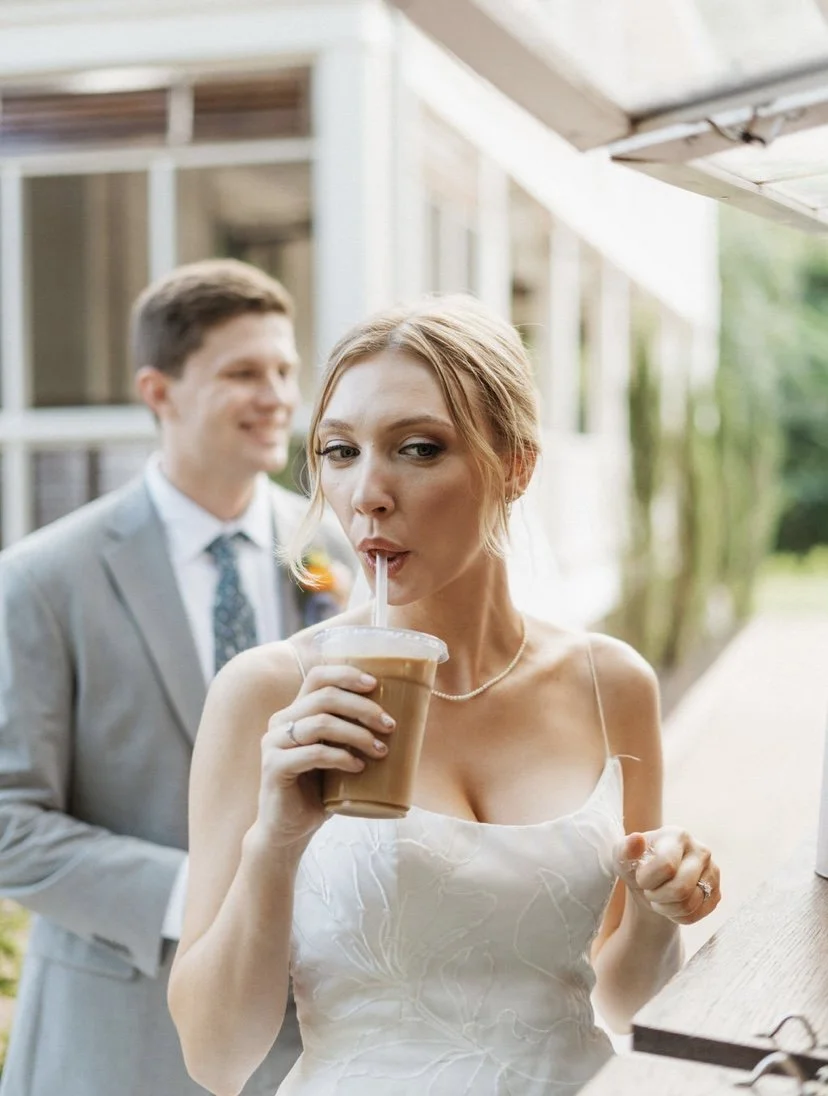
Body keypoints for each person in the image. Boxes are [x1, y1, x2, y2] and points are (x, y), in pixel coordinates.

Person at [168, 294, 721, 1096]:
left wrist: (656, 912)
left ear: (517, 466)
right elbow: (215, 1061)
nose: (367, 493)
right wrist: (275, 843)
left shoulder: (612, 685)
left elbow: (621, 1001)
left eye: (419, 449)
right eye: (339, 450)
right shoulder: (271, 692)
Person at [0, 259, 355, 1096]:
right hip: (118, 1038)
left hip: (309, 1039)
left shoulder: (336, 556)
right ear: (158, 391)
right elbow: (9, 822)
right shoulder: (43, 579)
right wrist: (213, 896)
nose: (277, 397)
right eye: (243, 373)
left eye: (285, 371)